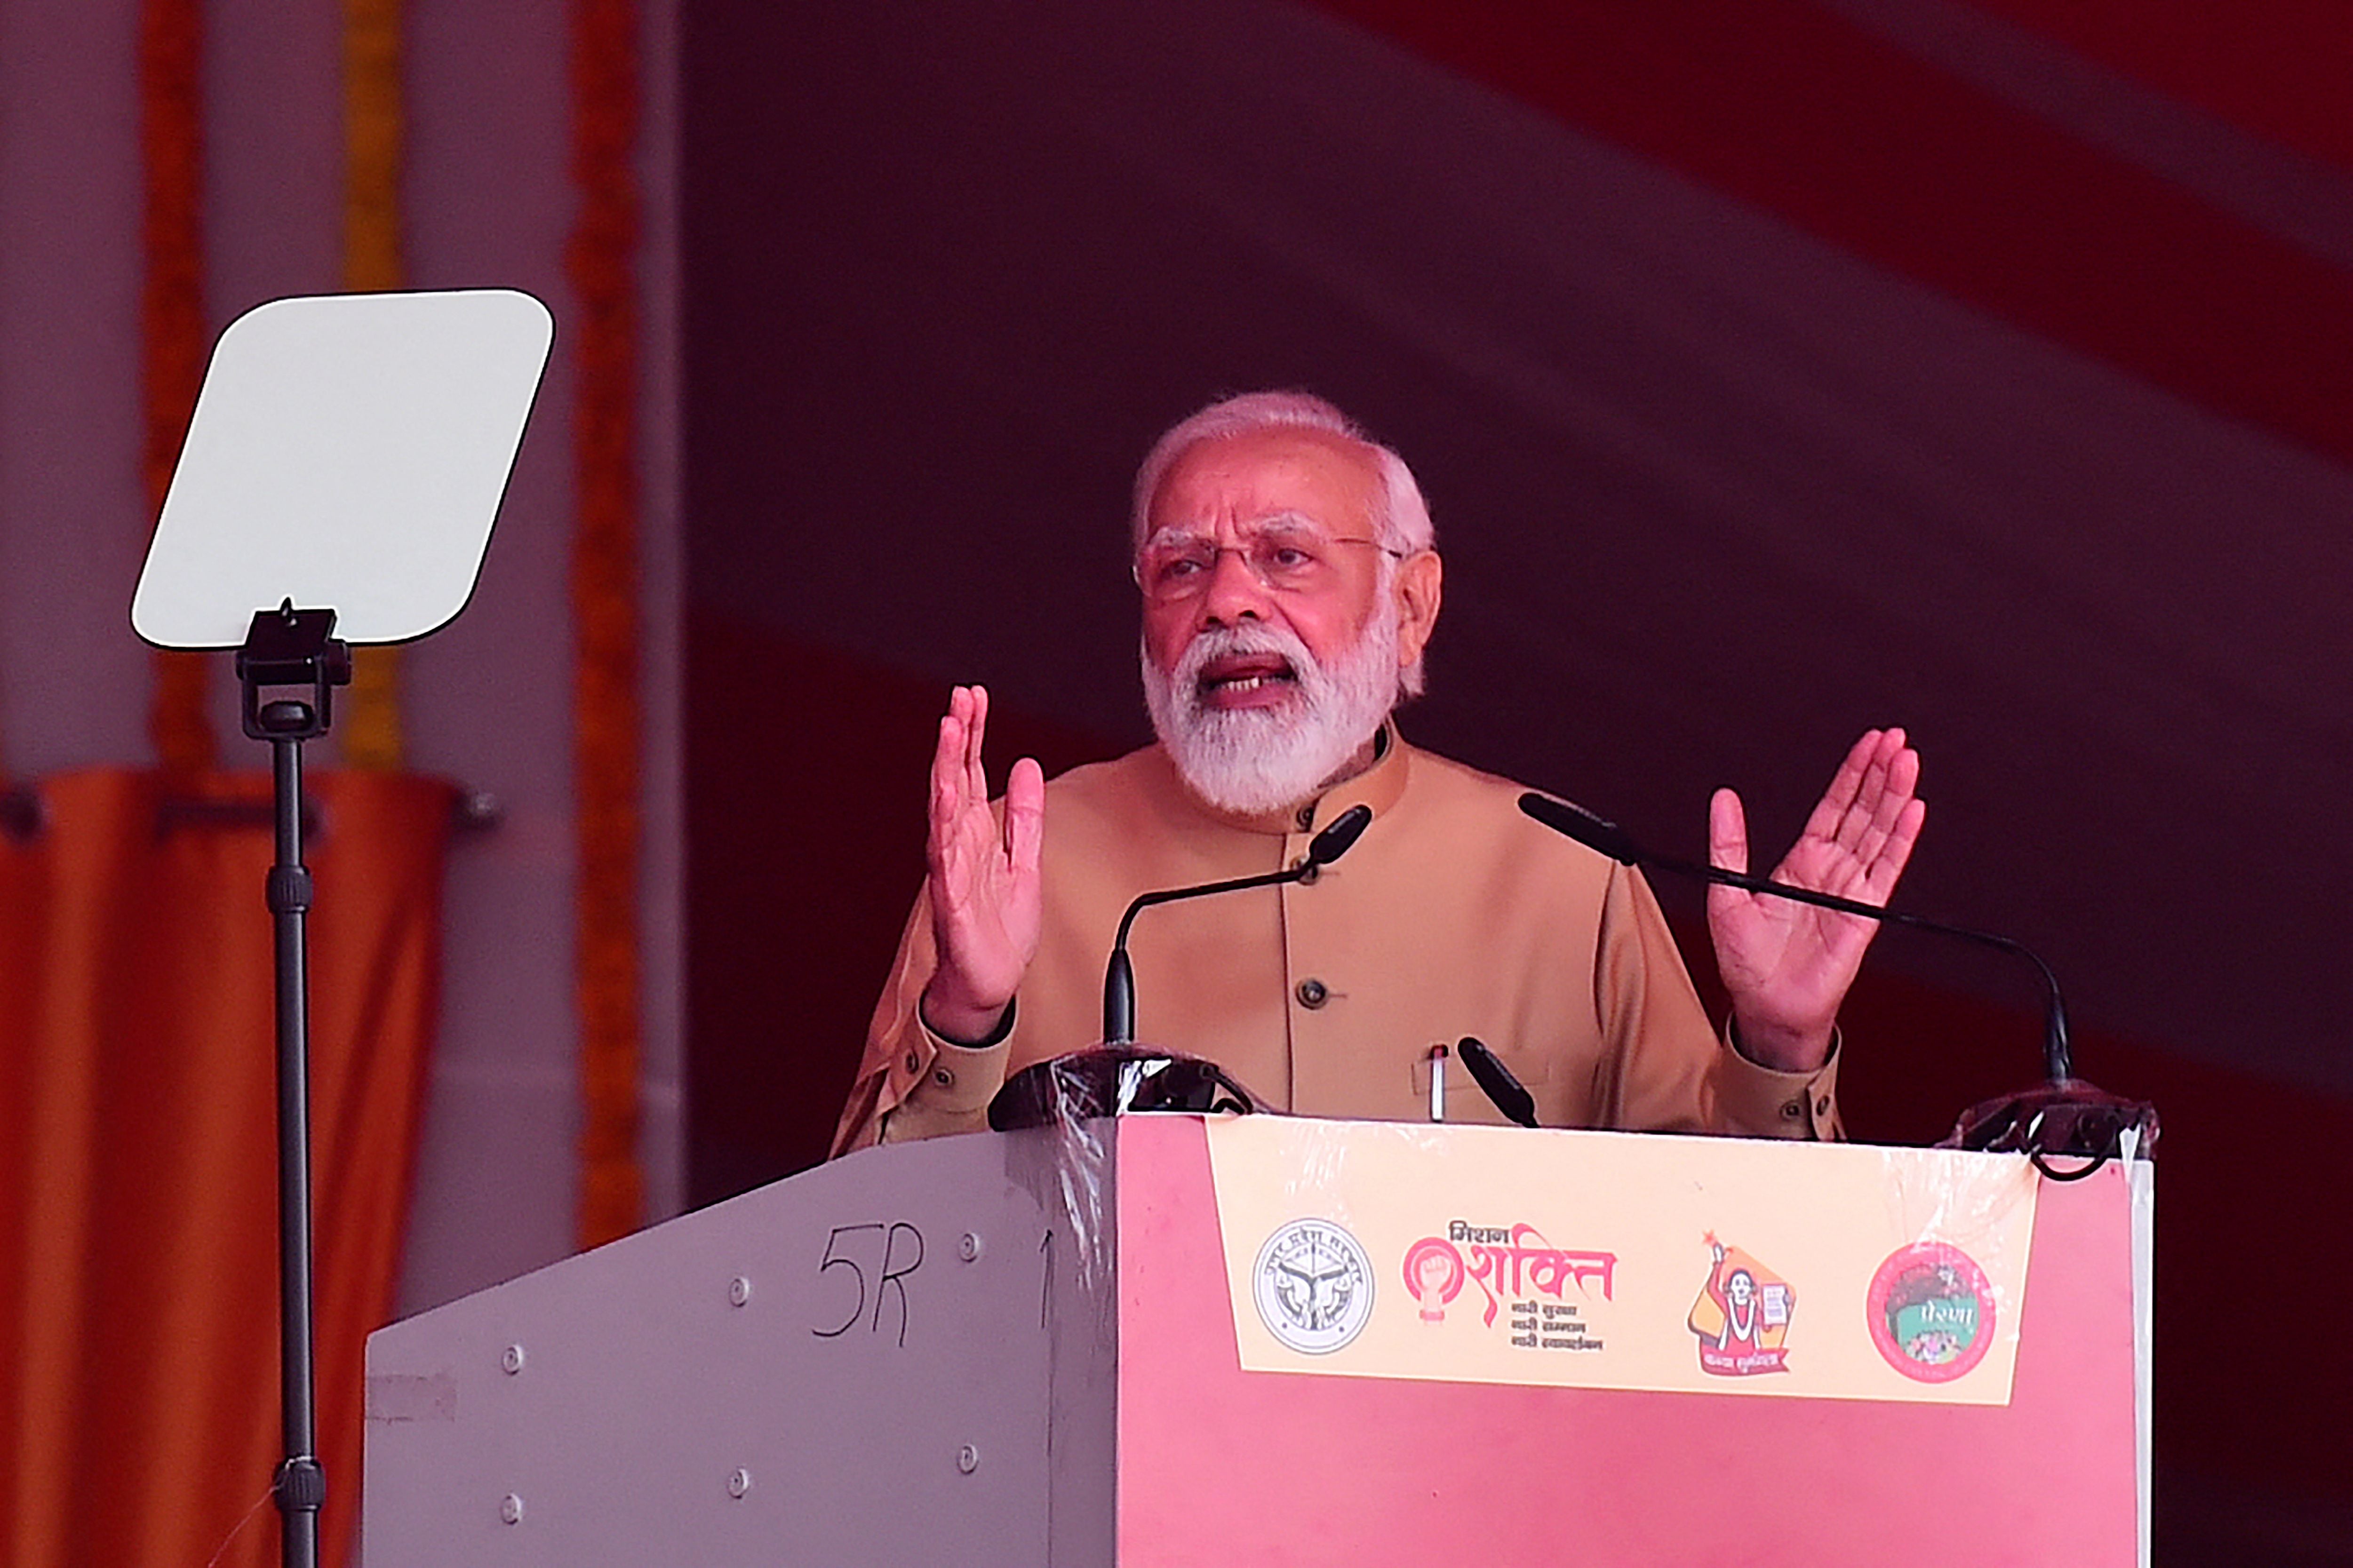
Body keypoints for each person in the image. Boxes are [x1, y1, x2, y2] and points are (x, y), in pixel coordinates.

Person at [831, 391, 1922, 1154]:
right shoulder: (1024, 859)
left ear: (1409, 607)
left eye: (1286, 555)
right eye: (1181, 567)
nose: (1226, 602)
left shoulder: (1561, 872)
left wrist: (1779, 1044)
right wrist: (967, 1015)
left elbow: (1736, 1274)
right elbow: (869, 1271)